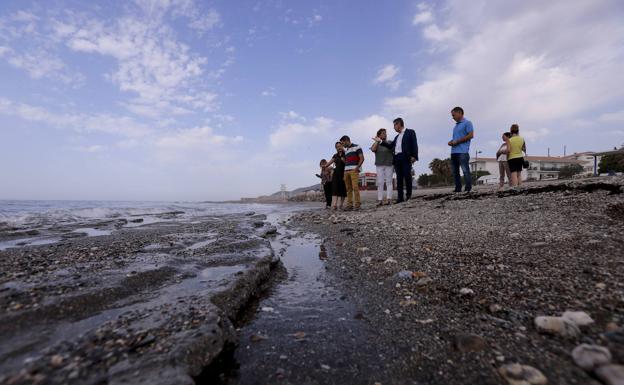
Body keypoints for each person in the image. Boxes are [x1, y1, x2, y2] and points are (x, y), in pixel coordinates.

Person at [387, 118, 418, 203]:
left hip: (406, 157)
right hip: (397, 158)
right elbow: (390, 146)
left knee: (407, 176)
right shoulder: (396, 137)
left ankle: (408, 196)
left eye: (394, 125)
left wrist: (414, 156)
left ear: (399, 124)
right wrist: (381, 141)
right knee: (399, 179)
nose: (394, 128)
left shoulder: (410, 132)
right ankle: (400, 198)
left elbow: (414, 144)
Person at [448, 106, 474, 193]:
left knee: (465, 171)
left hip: (463, 152)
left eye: (453, 115)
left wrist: (457, 141)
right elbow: (456, 139)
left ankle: (468, 188)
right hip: (454, 152)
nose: (453, 117)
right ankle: (458, 188)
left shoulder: (468, 123)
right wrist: (451, 142)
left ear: (459, 113)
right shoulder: (455, 127)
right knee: (455, 172)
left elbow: (471, 135)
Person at [371, 128, 394, 206]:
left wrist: (382, 142)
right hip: (379, 165)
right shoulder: (376, 143)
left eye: (385, 133)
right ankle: (380, 200)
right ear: (379, 135)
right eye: (383, 133)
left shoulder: (390, 142)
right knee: (380, 182)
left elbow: (392, 148)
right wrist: (377, 141)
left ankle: (389, 199)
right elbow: (373, 149)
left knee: (389, 182)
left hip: (389, 164)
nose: (385, 134)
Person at [340, 135, 364, 210]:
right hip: (346, 171)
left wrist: (357, 168)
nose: (342, 145)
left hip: (354, 170)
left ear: (347, 140)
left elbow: (362, 158)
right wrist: (342, 158)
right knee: (348, 189)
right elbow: (347, 162)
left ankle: (357, 205)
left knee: (355, 188)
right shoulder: (346, 151)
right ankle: (349, 205)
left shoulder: (357, 147)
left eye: (342, 143)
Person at [323, 142, 347, 210]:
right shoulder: (335, 155)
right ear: (336, 148)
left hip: (344, 173)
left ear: (342, 146)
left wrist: (344, 161)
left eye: (340, 146)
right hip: (336, 174)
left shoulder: (346, 154)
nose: (339, 148)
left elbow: (348, 164)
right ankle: (334, 205)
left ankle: (341, 205)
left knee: (343, 189)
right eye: (337, 147)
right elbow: (329, 163)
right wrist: (325, 166)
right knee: (334, 189)